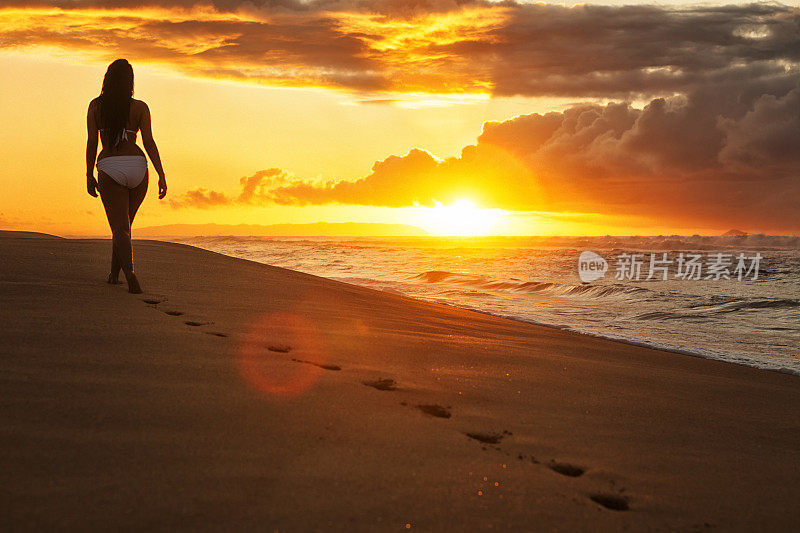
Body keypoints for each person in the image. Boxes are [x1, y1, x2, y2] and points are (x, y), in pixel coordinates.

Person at [85, 59, 166, 294]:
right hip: (138, 167)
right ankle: (113, 275)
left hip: (110, 167)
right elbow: (149, 141)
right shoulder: (140, 107)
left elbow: (91, 143)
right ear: (130, 81)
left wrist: (88, 173)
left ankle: (130, 274)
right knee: (125, 227)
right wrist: (161, 173)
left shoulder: (96, 107)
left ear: (107, 80)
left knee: (119, 227)